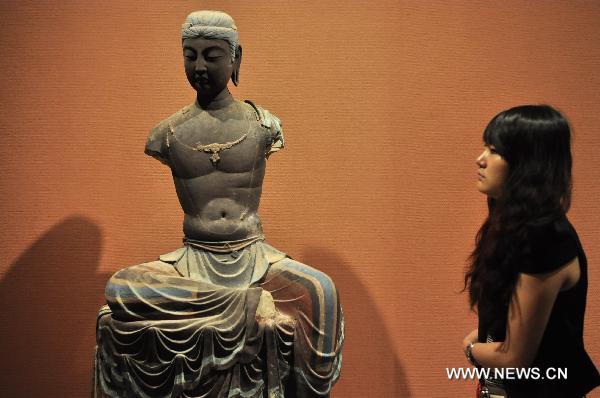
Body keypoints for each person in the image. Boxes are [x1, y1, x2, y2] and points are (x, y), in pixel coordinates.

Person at [94, 11, 343, 398]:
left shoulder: (264, 125)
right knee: (121, 287)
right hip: (192, 260)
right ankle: (242, 303)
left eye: (211, 55)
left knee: (323, 291)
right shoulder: (167, 132)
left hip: (255, 256)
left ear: (236, 58)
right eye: (190, 55)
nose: (199, 67)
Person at [462, 105, 600, 397]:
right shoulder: (515, 226)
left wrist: (472, 348)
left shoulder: (547, 237)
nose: (480, 159)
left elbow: (513, 359)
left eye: (494, 150)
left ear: (528, 163)